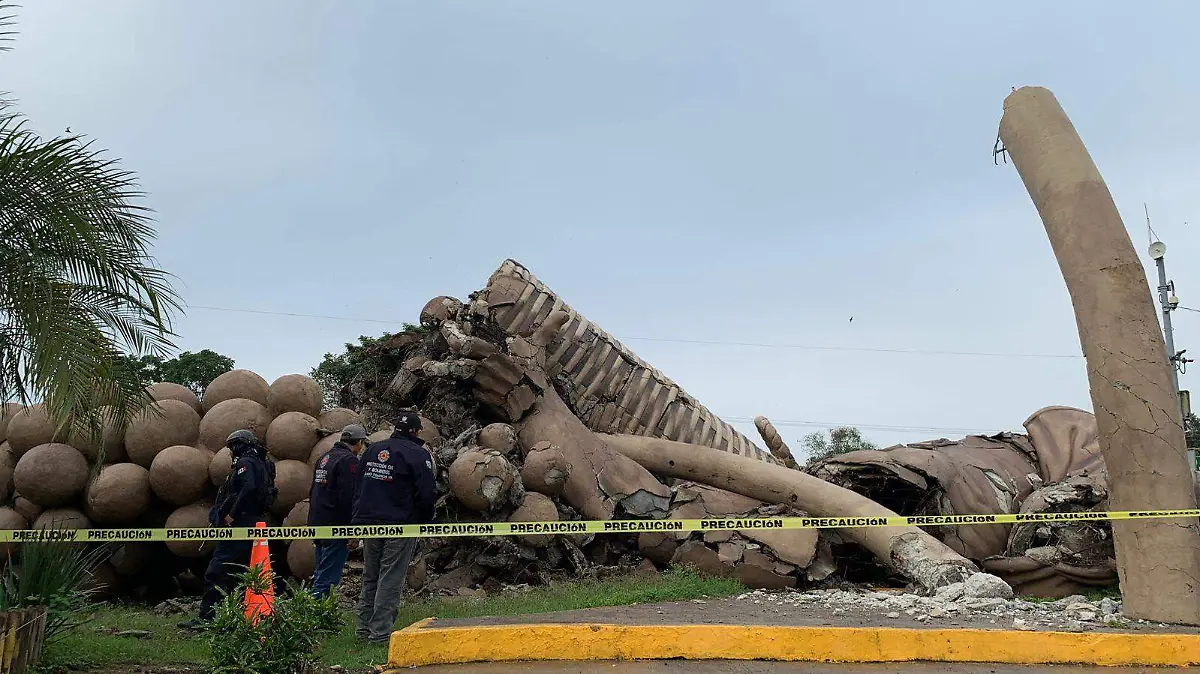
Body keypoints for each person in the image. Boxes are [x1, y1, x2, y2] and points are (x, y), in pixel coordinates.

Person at [351, 410, 436, 644]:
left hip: (370, 524)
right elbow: (426, 493)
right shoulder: (419, 454)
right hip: (400, 524)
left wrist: (358, 519)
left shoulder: (372, 450)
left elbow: (358, 487)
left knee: (371, 576)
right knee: (390, 577)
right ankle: (379, 634)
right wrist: (425, 520)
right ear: (416, 432)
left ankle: (362, 630)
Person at [181, 429, 277, 630]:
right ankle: (233, 620)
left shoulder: (246, 464)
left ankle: (208, 618)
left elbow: (247, 489)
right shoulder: (263, 464)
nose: (231, 453)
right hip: (252, 523)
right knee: (238, 574)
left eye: (232, 448)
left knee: (216, 572)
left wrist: (231, 513)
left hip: (240, 525)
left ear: (238, 445)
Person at [307, 423, 368, 598]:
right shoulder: (348, 461)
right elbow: (349, 497)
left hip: (318, 522)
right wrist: (353, 529)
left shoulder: (325, 458)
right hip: (335, 526)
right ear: (359, 442)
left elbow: (313, 492)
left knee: (321, 571)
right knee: (327, 578)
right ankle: (315, 616)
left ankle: (313, 612)